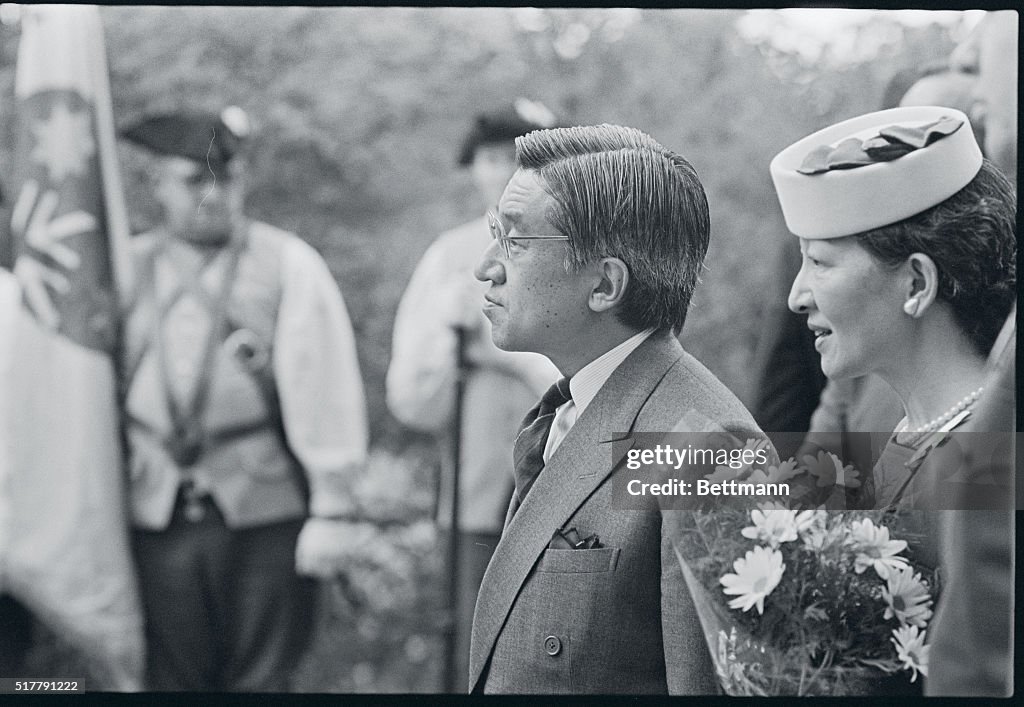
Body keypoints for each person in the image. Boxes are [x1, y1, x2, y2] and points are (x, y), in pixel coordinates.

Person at [468, 124, 771, 694]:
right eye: (494, 232)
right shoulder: (569, 406)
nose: (486, 266)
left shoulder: (705, 449)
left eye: (516, 240)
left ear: (605, 284)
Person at [118, 108, 368, 691]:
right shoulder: (125, 268)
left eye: (225, 179)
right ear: (158, 184)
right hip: (154, 512)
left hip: (265, 513)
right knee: (169, 679)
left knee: (264, 681)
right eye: (193, 180)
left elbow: (324, 388)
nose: (212, 194)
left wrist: (332, 506)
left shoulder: (288, 263)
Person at [771, 105, 1014, 694]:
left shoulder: (987, 470)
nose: (796, 297)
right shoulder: (907, 438)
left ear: (916, 284)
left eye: (820, 263)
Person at [386, 99, 559, 691]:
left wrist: (500, 354)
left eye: (516, 157)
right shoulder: (449, 257)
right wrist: (449, 343)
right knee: (473, 647)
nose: (502, 171)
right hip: (476, 493)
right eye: (489, 159)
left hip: (570, 486)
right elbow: (412, 397)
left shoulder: (576, 247)